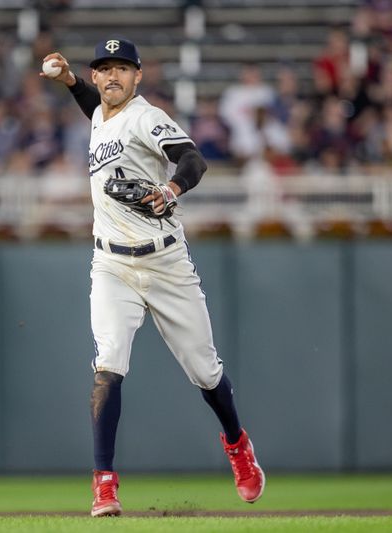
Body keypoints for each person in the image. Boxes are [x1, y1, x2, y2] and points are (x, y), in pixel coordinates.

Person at [41, 38, 265, 517]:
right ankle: (104, 484)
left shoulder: (146, 116)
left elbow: (194, 160)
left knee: (205, 370)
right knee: (109, 365)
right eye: (104, 69)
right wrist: (68, 81)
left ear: (138, 76)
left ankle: (237, 444)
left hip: (165, 263)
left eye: (122, 69)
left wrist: (171, 187)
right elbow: (92, 105)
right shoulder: (101, 111)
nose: (112, 77)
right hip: (112, 265)